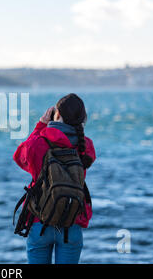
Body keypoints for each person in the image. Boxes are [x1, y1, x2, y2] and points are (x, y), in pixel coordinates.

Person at [13, 93, 96, 264]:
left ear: (56, 114)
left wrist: (40, 126)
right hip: (71, 224)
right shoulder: (86, 145)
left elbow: (19, 156)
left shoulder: (39, 142)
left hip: (39, 222)